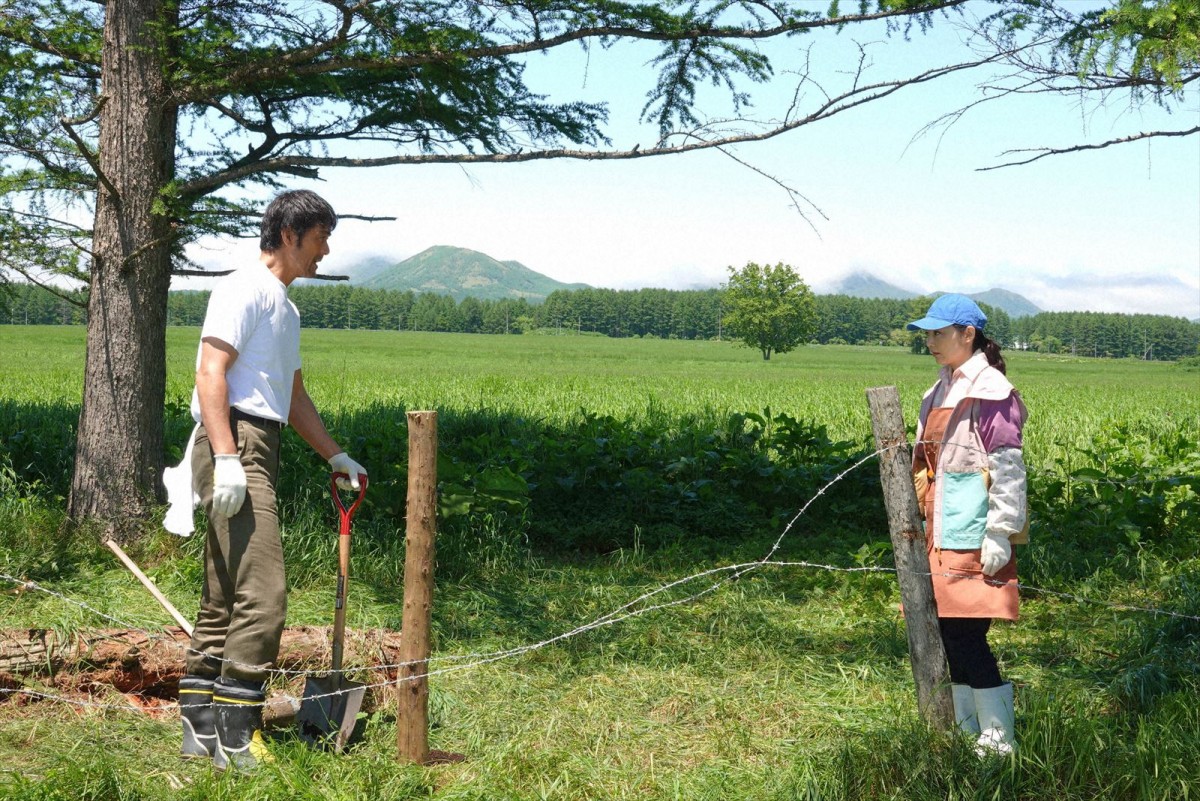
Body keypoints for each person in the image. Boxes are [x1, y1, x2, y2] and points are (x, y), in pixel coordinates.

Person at [171, 189, 367, 771]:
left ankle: (199, 729)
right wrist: (228, 458)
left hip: (260, 439)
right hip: (234, 441)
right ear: (289, 235)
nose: (325, 251)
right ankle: (238, 734)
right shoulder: (243, 288)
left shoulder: (286, 307)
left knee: (225, 595)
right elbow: (210, 372)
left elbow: (293, 395)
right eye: (320, 238)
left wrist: (336, 454)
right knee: (265, 594)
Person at [906, 294, 1028, 757]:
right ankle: (967, 731)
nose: (930, 341)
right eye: (928, 333)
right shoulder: (941, 386)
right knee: (946, 629)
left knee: (966, 632)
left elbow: (1008, 465)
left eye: (939, 333)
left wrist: (1001, 528)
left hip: (974, 526)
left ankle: (998, 742)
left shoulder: (992, 390)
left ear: (967, 334)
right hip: (941, 523)